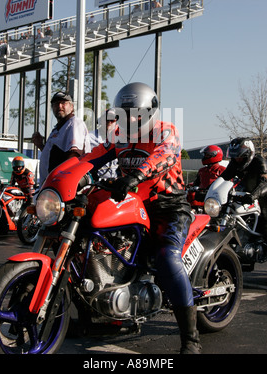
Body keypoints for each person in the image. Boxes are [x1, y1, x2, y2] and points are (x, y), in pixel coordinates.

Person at [79, 82, 201, 354]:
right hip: (132, 206)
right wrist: (69, 175)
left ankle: (190, 340)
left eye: (136, 113)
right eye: (124, 112)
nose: (130, 118)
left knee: (167, 258)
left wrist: (136, 175)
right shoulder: (119, 136)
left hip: (168, 207)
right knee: (91, 244)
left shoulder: (165, 130)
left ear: (150, 112)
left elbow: (165, 155)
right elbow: (92, 157)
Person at [220, 137, 267, 286]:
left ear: (248, 154)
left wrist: (254, 195)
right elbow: (223, 178)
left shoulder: (259, 162)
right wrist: (208, 192)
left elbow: (265, 184)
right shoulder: (234, 164)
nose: (237, 159)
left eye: (240, 155)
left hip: (266, 199)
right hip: (245, 196)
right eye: (235, 156)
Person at [32, 91, 91, 185]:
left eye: (63, 103)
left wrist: (62, 181)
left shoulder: (74, 123)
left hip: (64, 185)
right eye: (56, 104)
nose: (59, 106)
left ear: (71, 107)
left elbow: (74, 156)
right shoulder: (58, 128)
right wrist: (41, 146)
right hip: (51, 186)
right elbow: (56, 157)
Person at [89, 108, 120, 180]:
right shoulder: (89, 137)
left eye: (112, 120)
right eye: (106, 119)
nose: (109, 122)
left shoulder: (120, 138)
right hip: (94, 181)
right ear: (100, 120)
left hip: (115, 181)